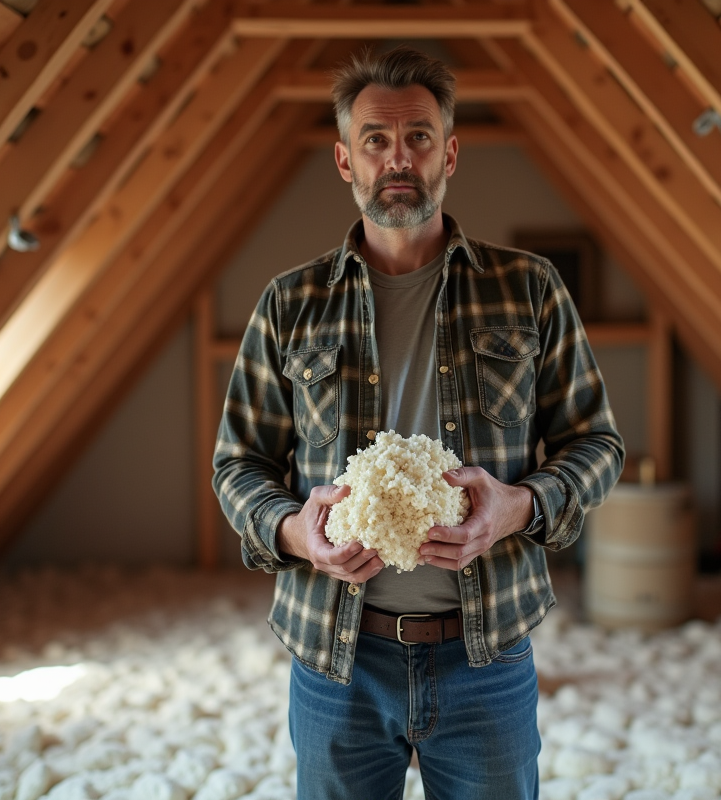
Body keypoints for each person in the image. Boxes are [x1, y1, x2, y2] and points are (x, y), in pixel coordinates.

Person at [212, 46, 624, 799]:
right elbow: (237, 464)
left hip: (485, 656)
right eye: (375, 139)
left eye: (419, 138)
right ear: (345, 160)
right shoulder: (289, 303)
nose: (397, 158)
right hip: (337, 660)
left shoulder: (527, 289)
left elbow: (597, 442)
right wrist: (294, 532)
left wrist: (517, 508)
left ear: (450, 152)